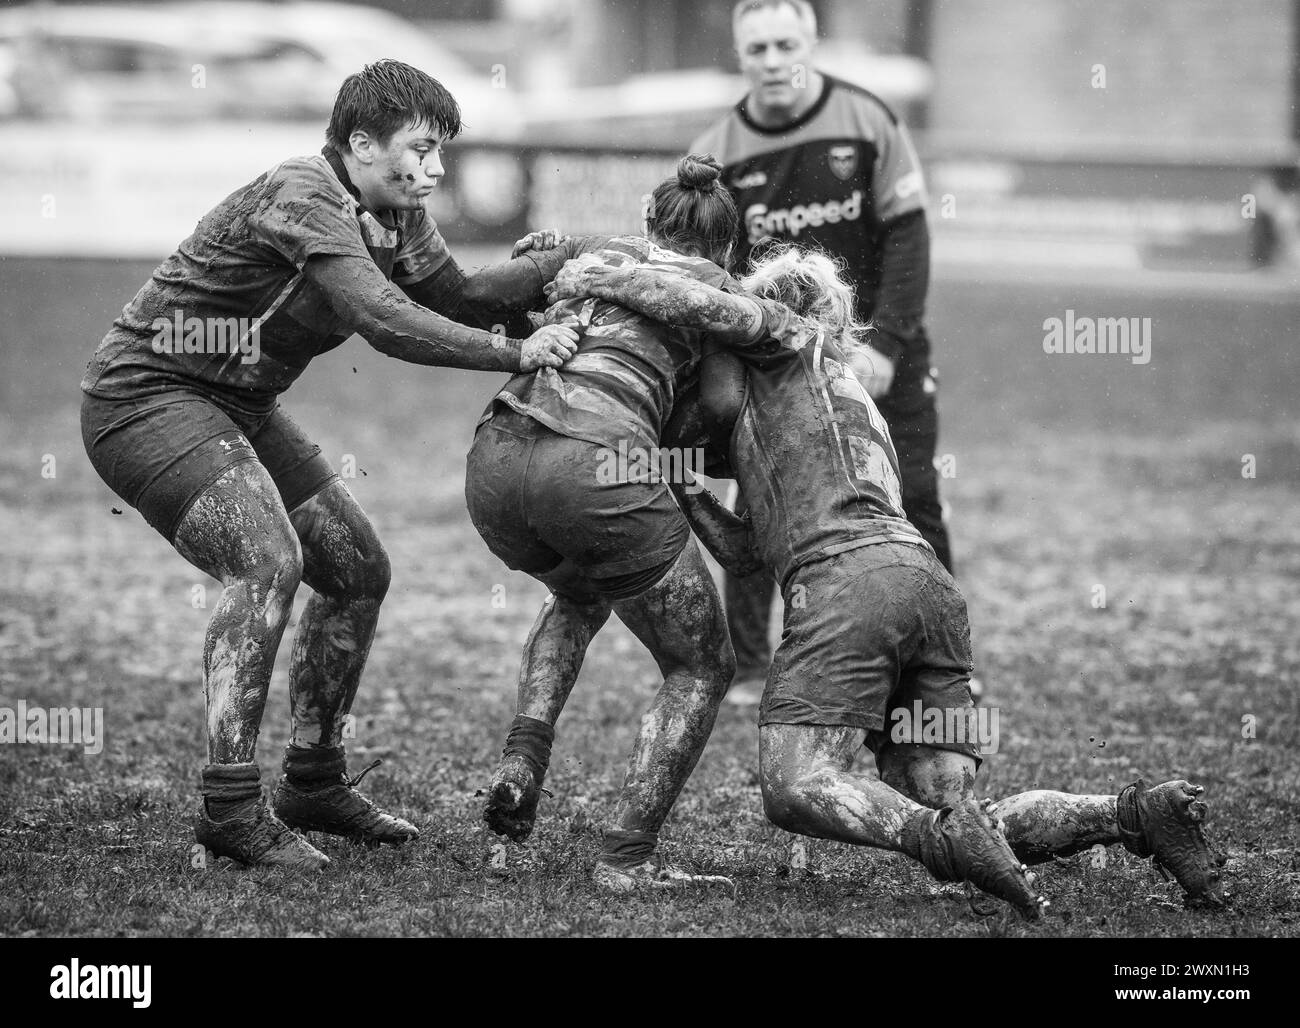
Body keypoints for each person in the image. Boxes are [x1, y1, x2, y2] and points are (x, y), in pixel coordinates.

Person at [547, 243, 1225, 915]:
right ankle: (1137, 815)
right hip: (926, 588)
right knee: (946, 796)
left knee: (794, 786)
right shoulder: (841, 402)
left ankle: (939, 840)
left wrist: (609, 276)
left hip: (848, 591)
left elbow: (700, 304)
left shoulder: (784, 340)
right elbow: (747, 552)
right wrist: (686, 488)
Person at [79, 60, 581, 871]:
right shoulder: (303, 193)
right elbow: (384, 320)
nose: (437, 168)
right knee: (268, 560)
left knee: (355, 571)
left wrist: (548, 267)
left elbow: (451, 294)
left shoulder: (394, 207)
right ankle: (230, 812)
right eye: (421, 148)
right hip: (145, 395)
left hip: (236, 403)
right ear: (359, 142)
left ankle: (312, 781)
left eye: (442, 150)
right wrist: (517, 348)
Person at [465, 155, 775, 892]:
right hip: (596, 467)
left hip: (496, 459)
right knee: (702, 666)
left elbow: (487, 295)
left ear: (648, 220)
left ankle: (523, 758)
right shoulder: (718, 288)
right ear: (727, 248)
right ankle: (625, 857)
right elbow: (727, 408)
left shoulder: (594, 249)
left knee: (577, 596)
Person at [691, 0, 952, 704]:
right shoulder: (717, 151)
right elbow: (713, 275)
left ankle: (936, 669)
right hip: (777, 365)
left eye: (785, 45)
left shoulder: (868, 120)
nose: (773, 61)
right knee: (761, 502)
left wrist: (887, 347)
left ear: (810, 43)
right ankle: (747, 668)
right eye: (758, 49)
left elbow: (908, 240)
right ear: (739, 54)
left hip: (882, 352)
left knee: (916, 497)